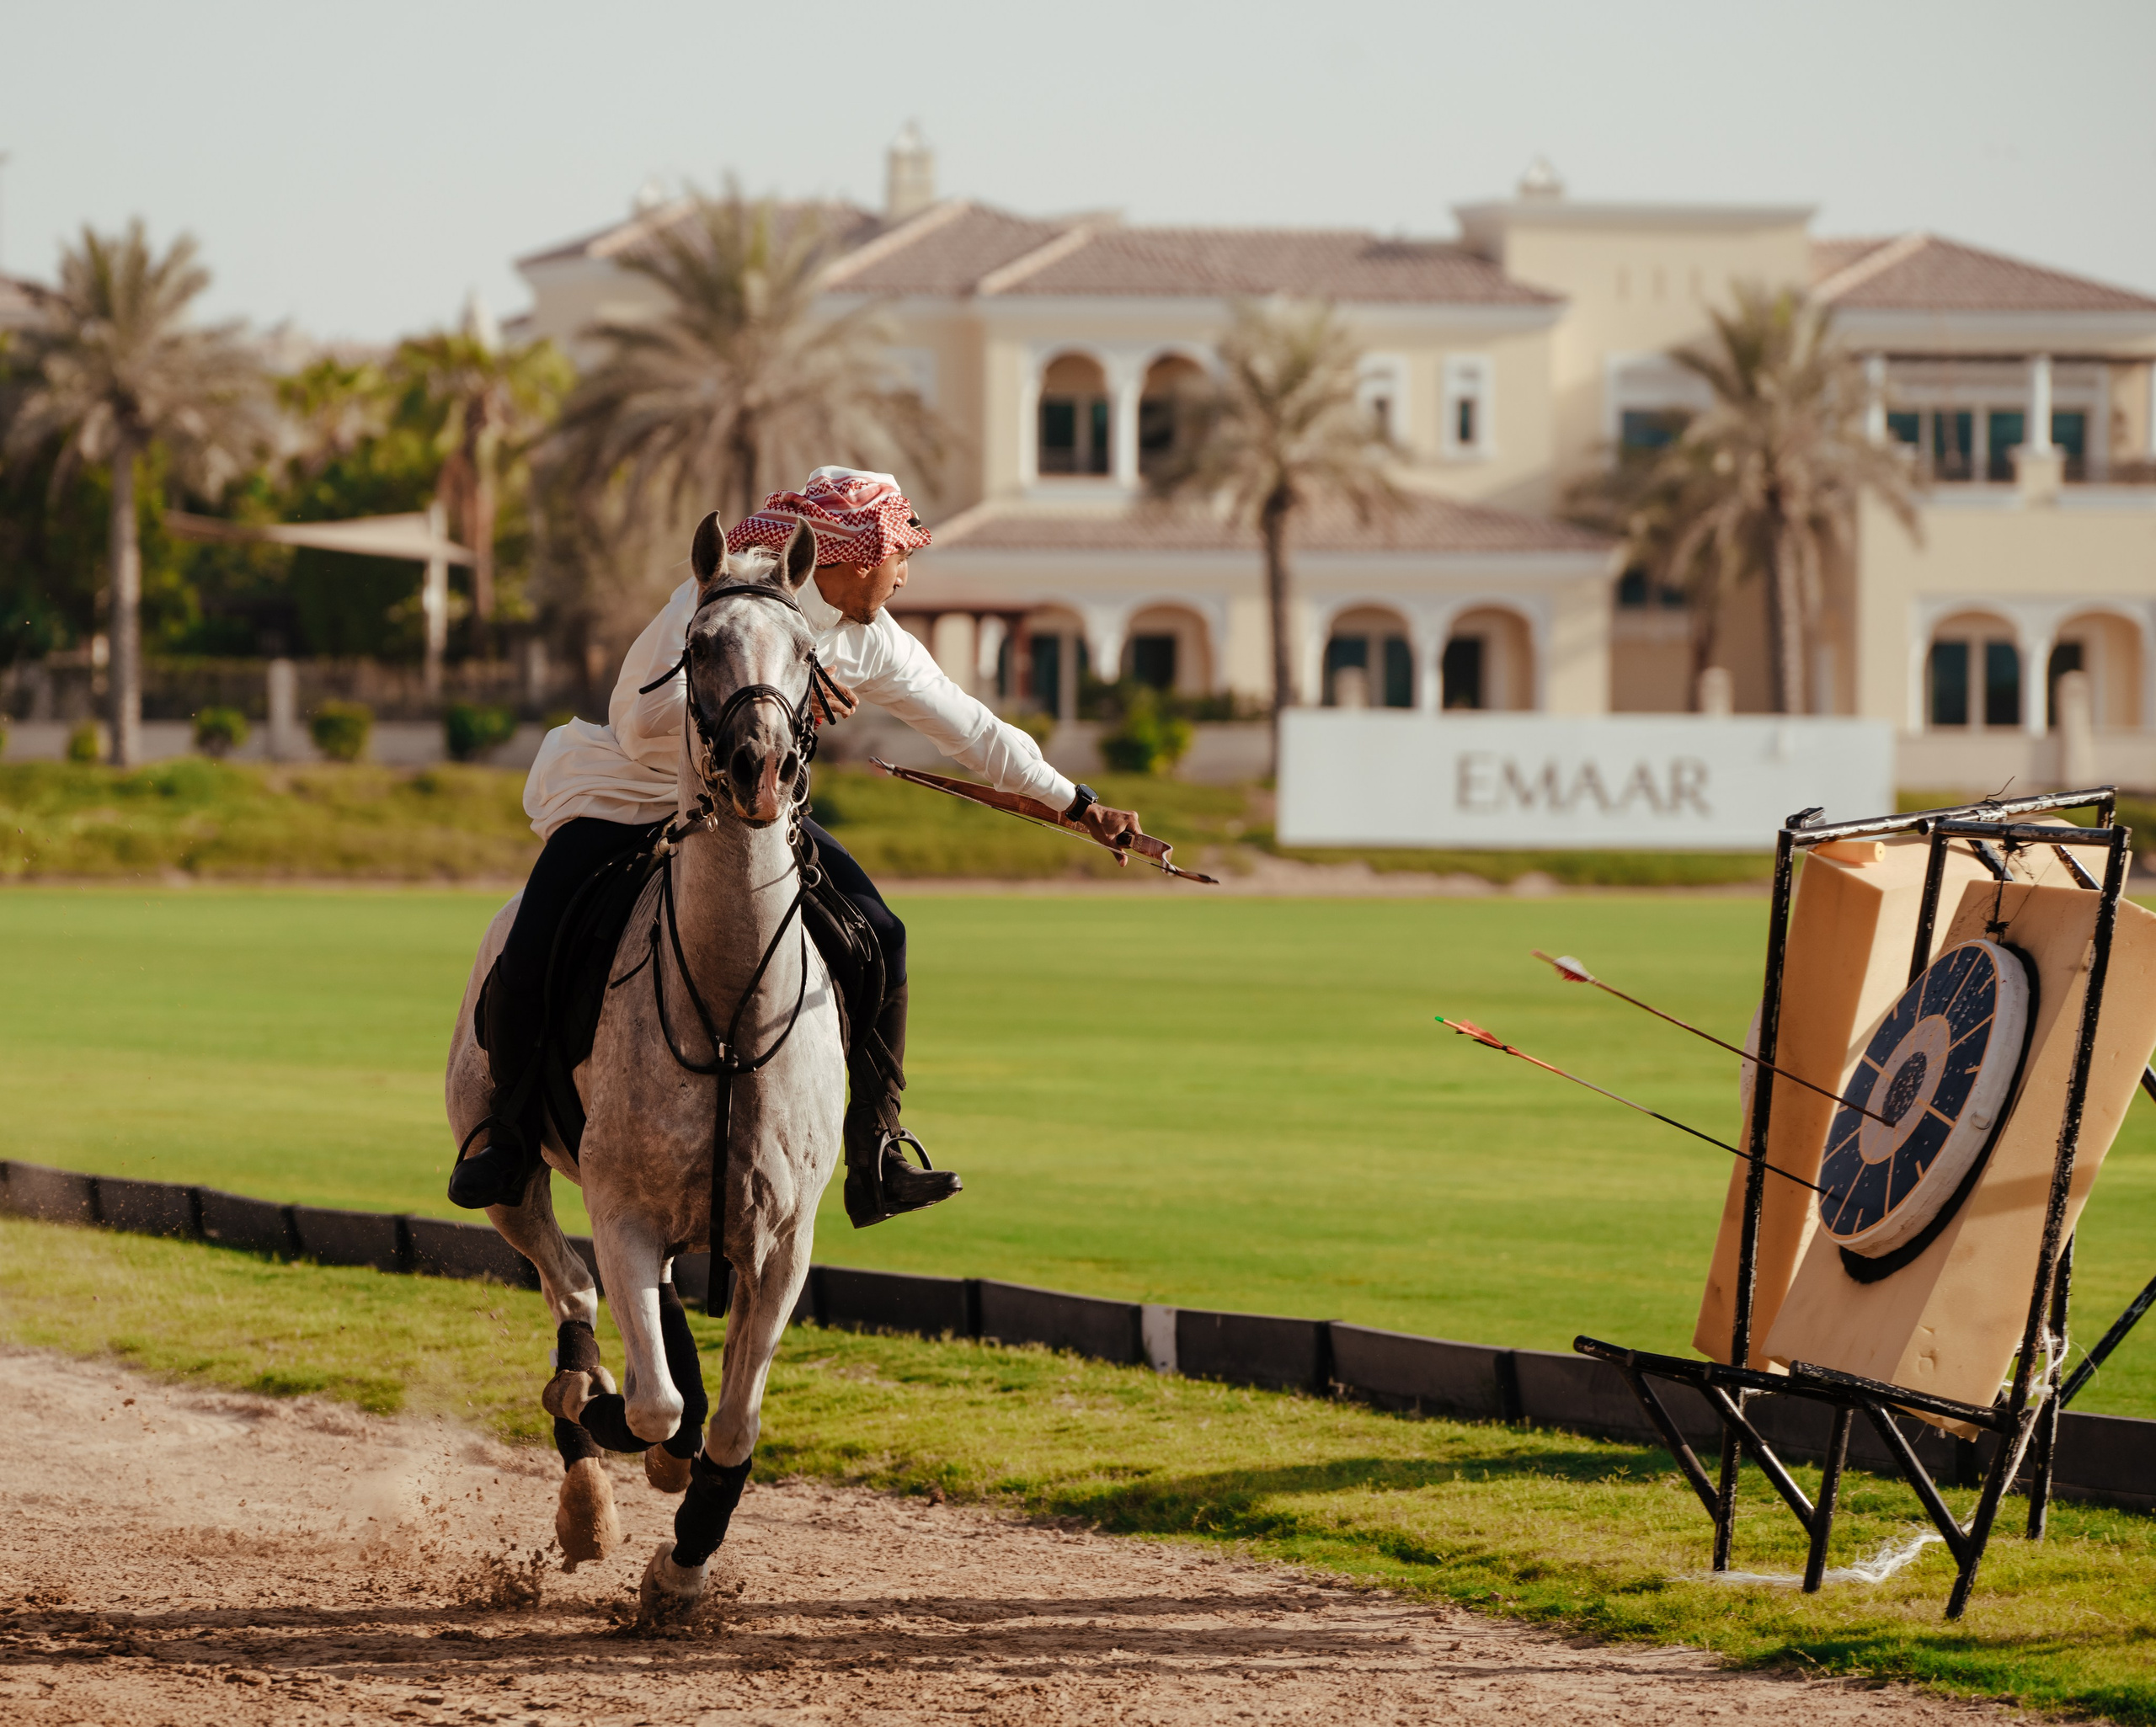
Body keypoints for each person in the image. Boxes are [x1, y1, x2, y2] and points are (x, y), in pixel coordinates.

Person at [449, 466, 1143, 1228]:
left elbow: (973, 730)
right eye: (897, 555)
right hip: (632, 798)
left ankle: (875, 1150)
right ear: (847, 556)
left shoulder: (871, 641)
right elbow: (634, 717)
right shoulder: (721, 597)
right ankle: (508, 1133)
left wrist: (1078, 803)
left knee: (882, 934)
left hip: (755, 814)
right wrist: (776, 701)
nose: (904, 574)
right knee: (535, 934)